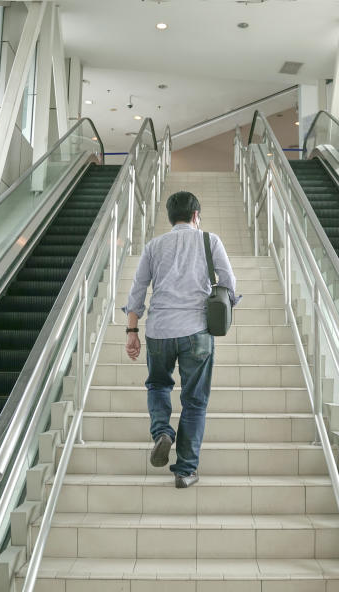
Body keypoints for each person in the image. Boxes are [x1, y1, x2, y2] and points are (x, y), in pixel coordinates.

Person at [122, 191, 239, 488]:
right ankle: (185, 471)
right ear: (196, 215)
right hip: (196, 331)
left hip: (158, 330)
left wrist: (132, 332)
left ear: (170, 217)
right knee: (195, 401)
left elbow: (137, 291)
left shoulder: (153, 246)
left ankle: (162, 431)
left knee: (159, 384)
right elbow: (229, 285)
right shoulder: (209, 241)